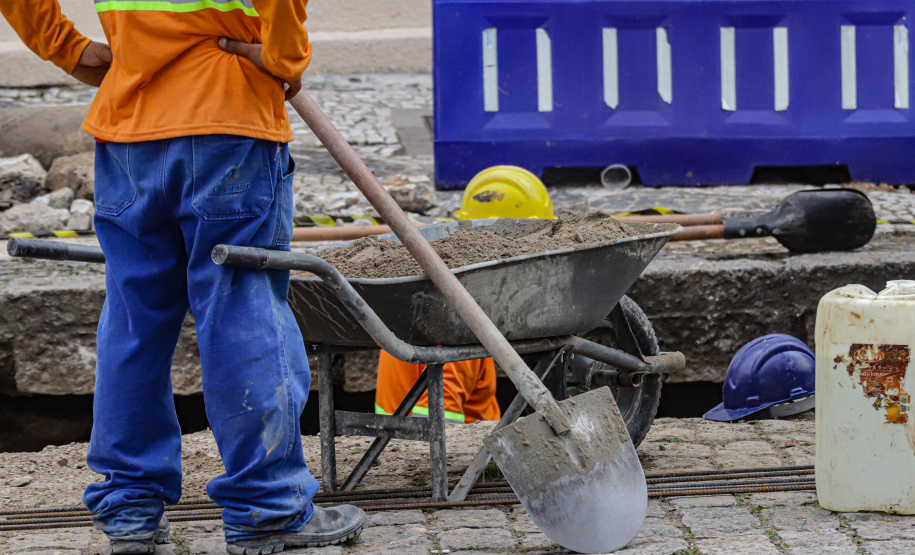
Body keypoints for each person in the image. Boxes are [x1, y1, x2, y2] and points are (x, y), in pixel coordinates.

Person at [0, 1, 364, 554]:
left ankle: (129, 505)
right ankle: (266, 507)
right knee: (242, 310)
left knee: (133, 318)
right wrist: (286, 60)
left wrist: (68, 49)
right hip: (228, 117)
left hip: (129, 128)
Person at [375, 165, 555, 425]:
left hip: (396, 439)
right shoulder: (457, 321)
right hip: (436, 451)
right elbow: (438, 423)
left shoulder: (440, 294)